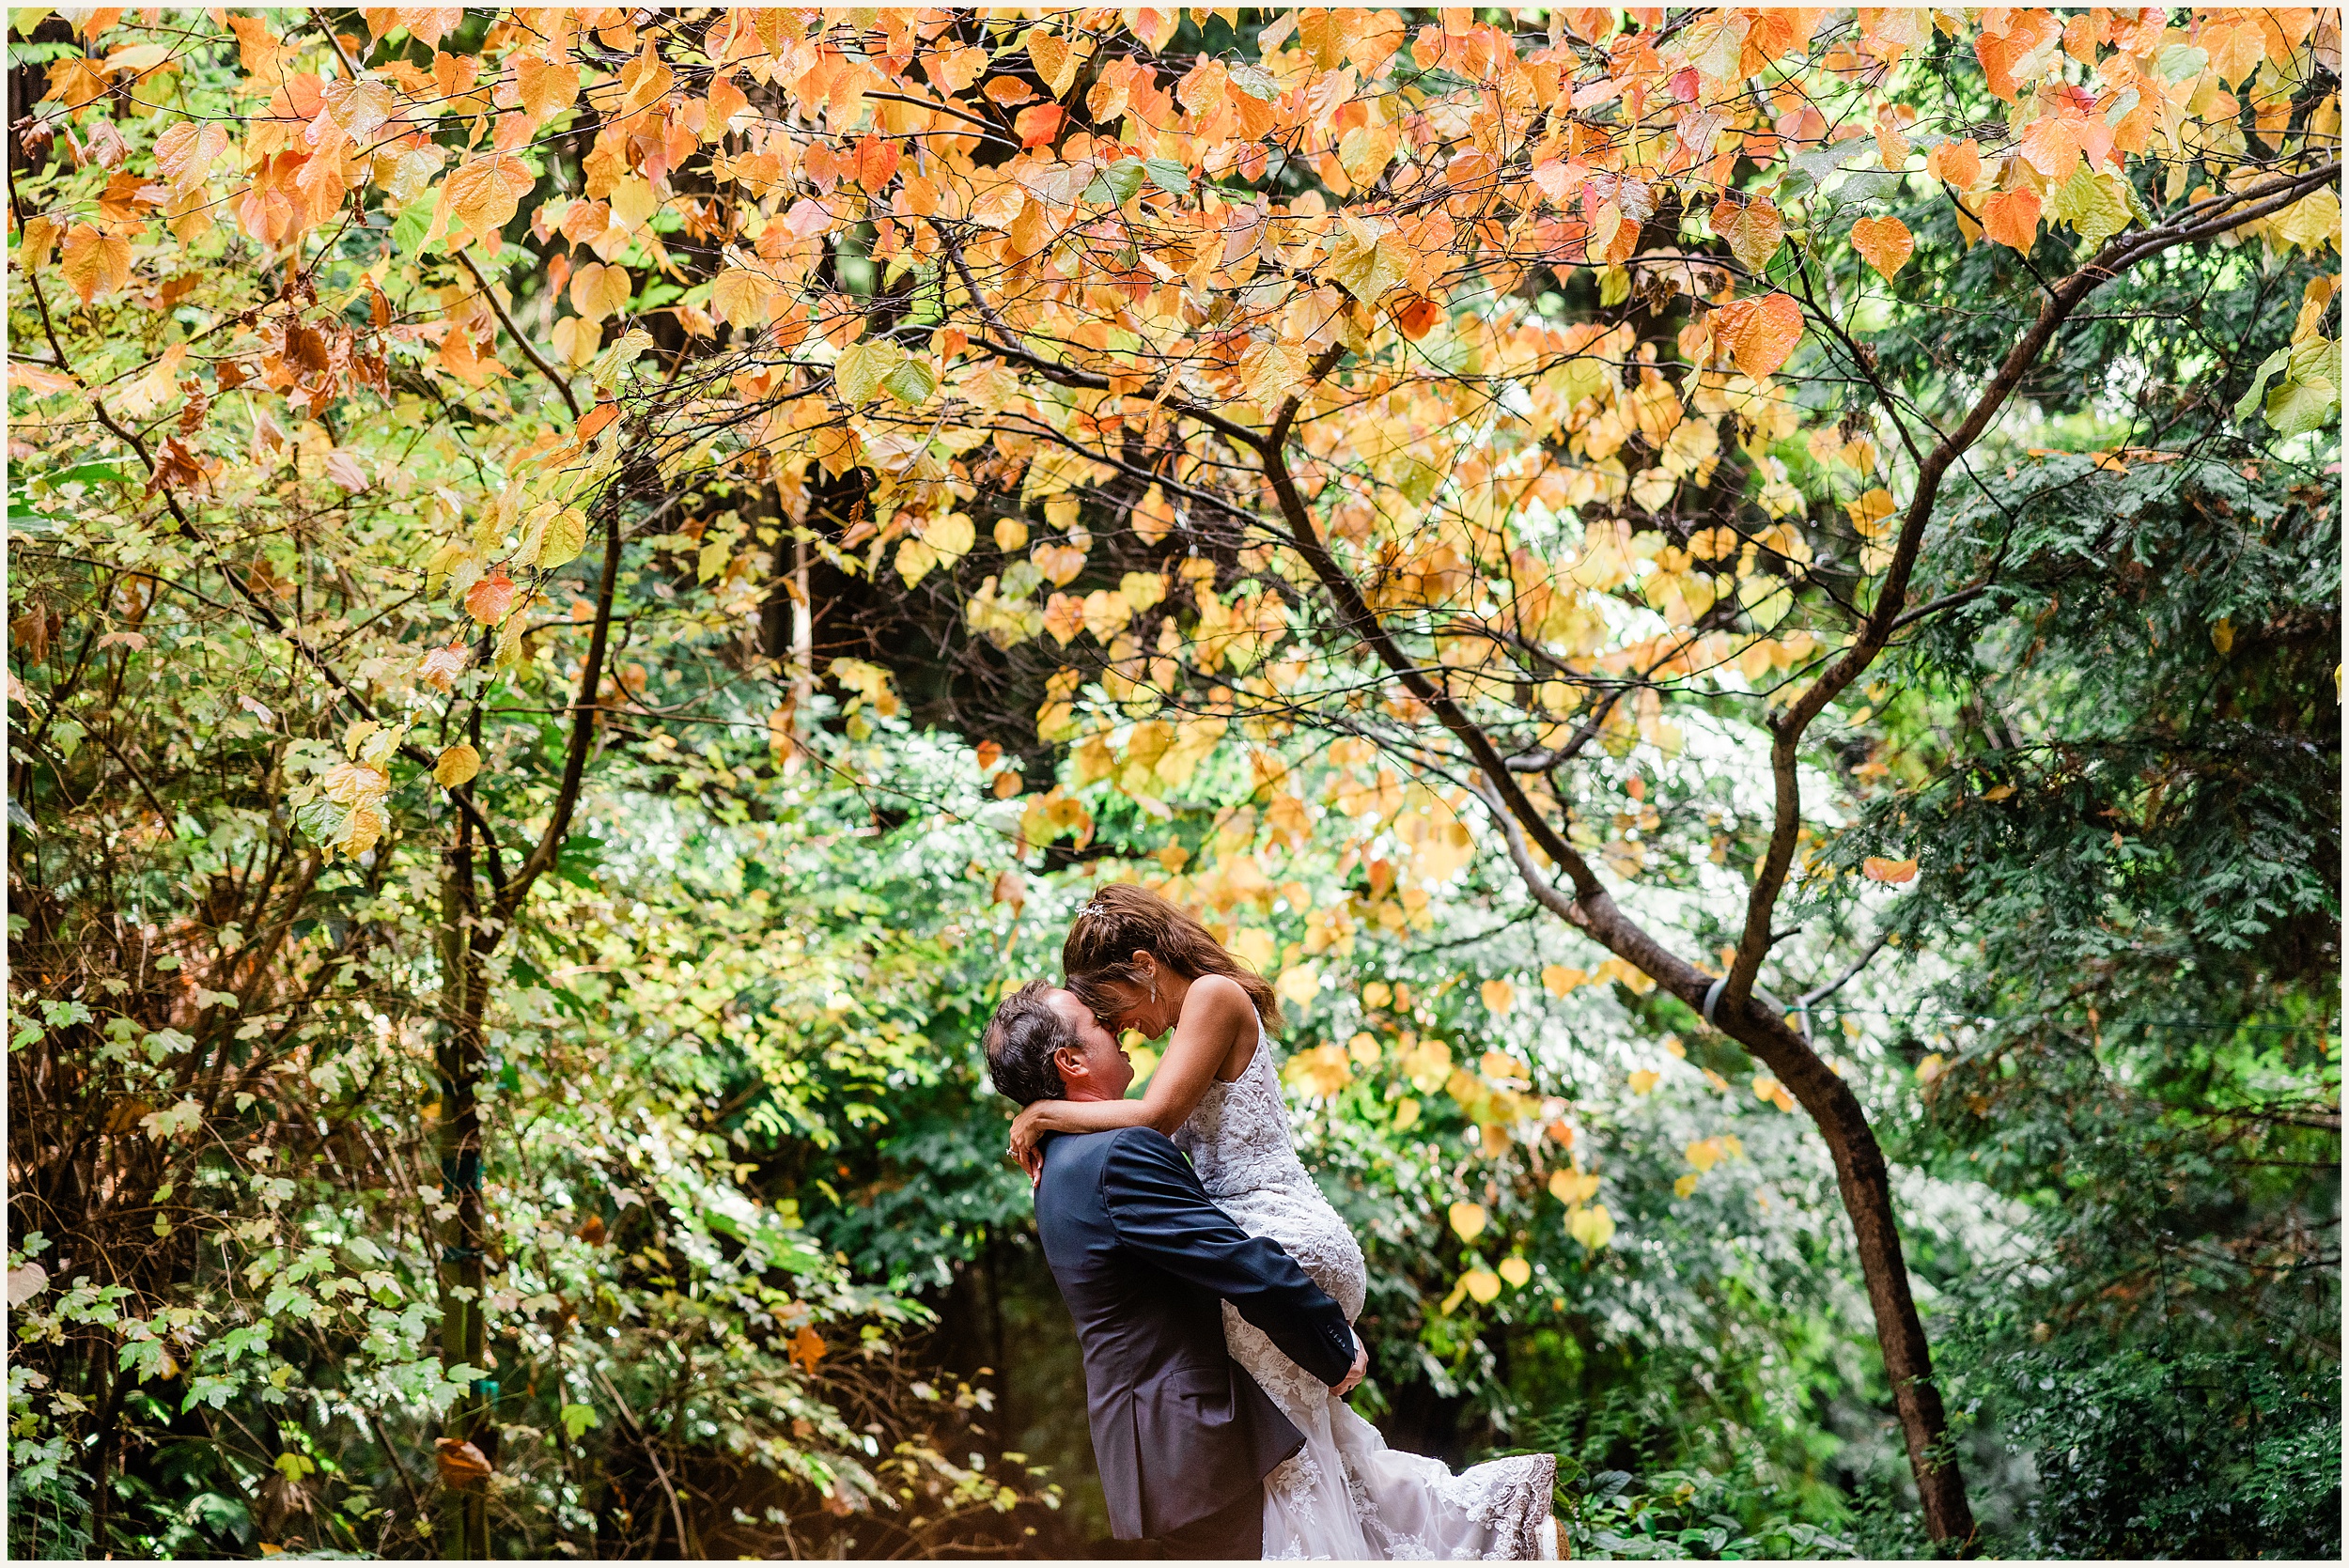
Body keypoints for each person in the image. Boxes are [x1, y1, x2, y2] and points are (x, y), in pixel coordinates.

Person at [1008, 884, 1560, 1560]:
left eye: (1109, 1004)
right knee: (1326, 1460)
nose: (1117, 1023)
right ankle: (1494, 1525)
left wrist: (1043, 1113)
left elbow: (1153, 1117)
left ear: (1146, 965)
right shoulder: (1173, 1050)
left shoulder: (1211, 997)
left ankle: (1477, 1530)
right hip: (1268, 1247)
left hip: (1280, 1243)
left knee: (1290, 1471)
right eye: (1100, 1019)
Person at [984, 979, 1369, 1559]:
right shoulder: (1121, 1153)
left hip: (1155, 1444)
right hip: (1193, 1434)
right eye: (1099, 1024)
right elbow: (1236, 1261)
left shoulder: (1059, 1162)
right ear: (1071, 1061)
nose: (1116, 1029)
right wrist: (1333, 1343)